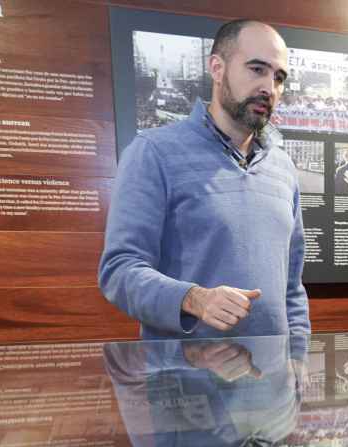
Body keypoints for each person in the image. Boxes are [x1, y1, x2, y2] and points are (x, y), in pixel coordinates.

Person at [99, 20, 310, 341]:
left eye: (279, 77)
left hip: (272, 383)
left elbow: (292, 287)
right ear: (217, 68)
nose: (269, 87)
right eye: (256, 69)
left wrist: (296, 364)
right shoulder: (154, 153)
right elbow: (119, 270)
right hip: (188, 381)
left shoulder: (282, 168)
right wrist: (194, 299)